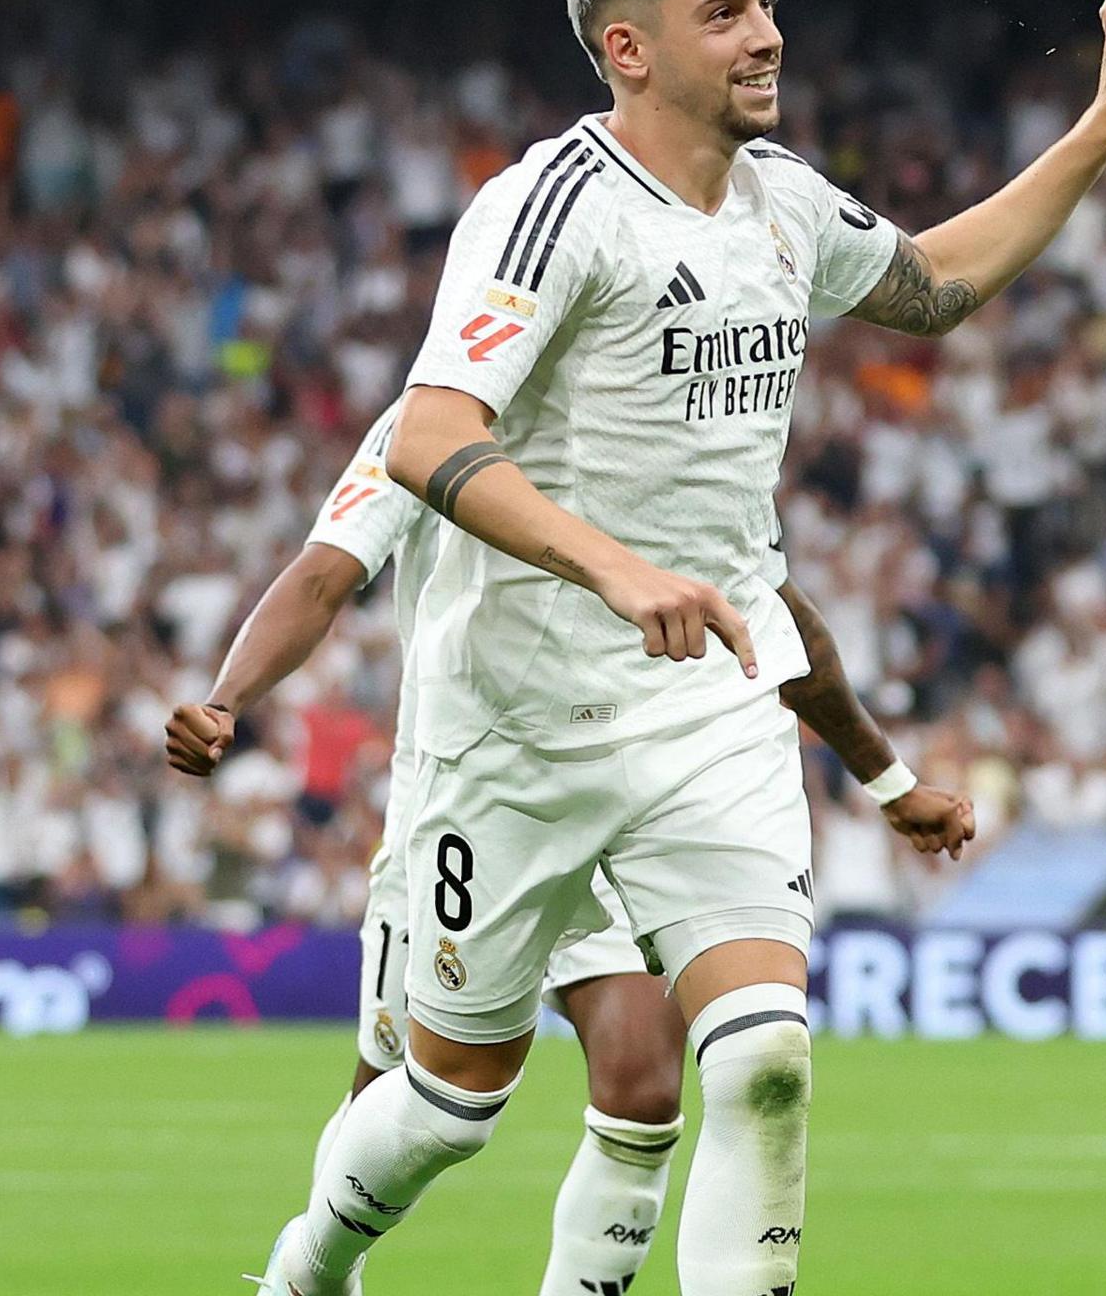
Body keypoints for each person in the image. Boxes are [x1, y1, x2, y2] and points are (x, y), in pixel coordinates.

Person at [256, 0, 1106, 1296]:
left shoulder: (783, 200)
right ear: (628, 50)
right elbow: (431, 436)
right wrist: (620, 567)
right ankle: (309, 1264)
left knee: (759, 1061)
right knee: (451, 1104)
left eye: (763, 0)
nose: (769, 32)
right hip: (518, 719)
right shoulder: (548, 208)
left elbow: (935, 285)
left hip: (709, 704)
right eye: (728, 11)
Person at [165, 395, 972, 1295]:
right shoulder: (436, 416)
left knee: (643, 1095)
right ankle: (312, 1270)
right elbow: (323, 575)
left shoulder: (669, 408)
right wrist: (228, 698)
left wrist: (889, 782)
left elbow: (769, 612)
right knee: (429, 1101)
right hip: (475, 787)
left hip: (651, 784)